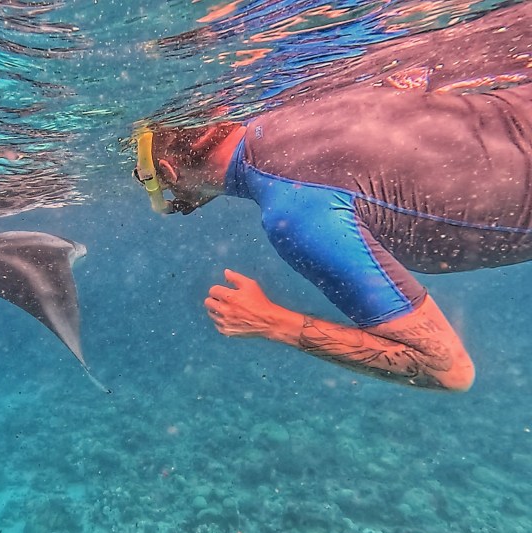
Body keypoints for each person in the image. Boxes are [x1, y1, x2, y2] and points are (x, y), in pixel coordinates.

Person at [132, 4, 532, 391]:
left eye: (145, 175)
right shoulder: (312, 100)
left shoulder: (294, 207)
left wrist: (270, 322)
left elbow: (449, 370)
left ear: (168, 174)